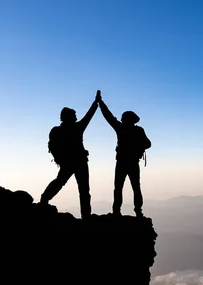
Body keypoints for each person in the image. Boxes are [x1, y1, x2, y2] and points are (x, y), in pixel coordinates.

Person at [39, 91, 100, 219]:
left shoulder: (57, 131)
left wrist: (95, 103)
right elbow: (89, 116)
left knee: (60, 182)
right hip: (79, 162)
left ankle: (44, 199)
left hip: (67, 163)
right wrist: (96, 103)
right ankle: (86, 216)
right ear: (69, 117)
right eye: (74, 115)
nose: (76, 118)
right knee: (83, 190)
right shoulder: (77, 128)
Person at [98, 92, 151, 216]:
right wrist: (138, 148)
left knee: (119, 188)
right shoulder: (138, 130)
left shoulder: (121, 128)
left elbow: (108, 116)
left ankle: (117, 211)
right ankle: (138, 211)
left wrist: (100, 103)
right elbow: (148, 144)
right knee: (135, 187)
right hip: (132, 162)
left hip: (122, 162)